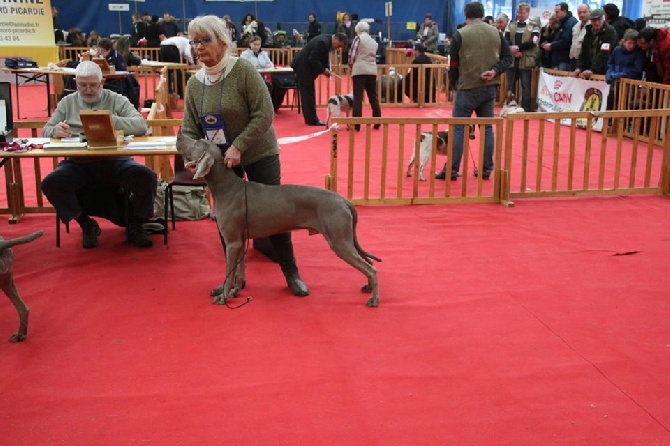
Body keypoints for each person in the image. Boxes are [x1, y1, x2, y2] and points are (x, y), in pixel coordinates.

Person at [181, 15, 309, 297]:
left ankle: (291, 272)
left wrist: (238, 146)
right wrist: (190, 154)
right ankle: (233, 279)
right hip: (221, 161)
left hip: (258, 152)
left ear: (223, 42)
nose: (199, 47)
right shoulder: (195, 84)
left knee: (278, 215)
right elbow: (188, 130)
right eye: (195, 42)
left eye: (206, 40)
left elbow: (264, 114)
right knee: (227, 220)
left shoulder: (244, 71)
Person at [41, 61, 155, 249]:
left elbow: (141, 125)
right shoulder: (67, 102)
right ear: (75, 83)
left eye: (93, 85)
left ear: (102, 82)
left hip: (116, 161)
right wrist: (56, 130)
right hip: (78, 163)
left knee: (146, 177)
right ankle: (85, 223)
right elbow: (46, 129)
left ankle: (136, 224)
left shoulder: (116, 99)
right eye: (82, 85)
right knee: (51, 183)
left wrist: (111, 120)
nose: (87, 90)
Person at [436, 1, 512, 181]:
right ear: (483, 13)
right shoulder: (496, 32)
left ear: (465, 15)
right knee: (487, 128)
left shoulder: (460, 34)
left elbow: (453, 64)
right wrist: (494, 71)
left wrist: (453, 84)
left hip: (467, 87)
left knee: (459, 128)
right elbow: (508, 58)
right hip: (489, 87)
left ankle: (452, 170)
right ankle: (486, 169)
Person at [291, 33, 348, 126]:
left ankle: (311, 119)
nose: (338, 48)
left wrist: (325, 69)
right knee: (308, 95)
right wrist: (323, 70)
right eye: (339, 45)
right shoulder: (323, 42)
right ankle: (312, 120)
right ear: (336, 40)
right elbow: (313, 58)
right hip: (303, 67)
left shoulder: (325, 41)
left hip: (304, 67)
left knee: (308, 94)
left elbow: (320, 59)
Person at [504, 3, 539, 111]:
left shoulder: (534, 26)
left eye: (522, 12)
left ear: (528, 13)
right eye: (518, 12)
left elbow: (533, 42)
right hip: (512, 60)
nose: (519, 14)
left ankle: (526, 109)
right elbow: (505, 40)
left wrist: (518, 48)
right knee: (510, 85)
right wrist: (512, 50)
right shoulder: (511, 25)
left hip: (526, 60)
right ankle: (510, 106)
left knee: (526, 86)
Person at [348, 21, 381, 131]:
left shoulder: (358, 39)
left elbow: (352, 55)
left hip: (359, 70)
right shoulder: (374, 41)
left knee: (358, 98)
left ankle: (356, 124)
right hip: (372, 71)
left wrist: (350, 66)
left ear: (358, 30)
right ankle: (377, 122)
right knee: (373, 98)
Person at [572, 9, 619, 79]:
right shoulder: (589, 31)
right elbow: (583, 51)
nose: (597, 23)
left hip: (605, 72)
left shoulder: (610, 32)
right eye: (594, 20)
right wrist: (579, 67)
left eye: (599, 20)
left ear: (603, 18)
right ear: (590, 21)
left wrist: (593, 70)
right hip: (589, 70)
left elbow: (604, 54)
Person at [605, 29, 645, 109]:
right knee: (611, 105)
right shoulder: (617, 51)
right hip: (615, 85)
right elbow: (610, 64)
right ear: (624, 41)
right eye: (629, 43)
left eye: (634, 43)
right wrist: (610, 74)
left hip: (630, 88)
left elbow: (638, 70)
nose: (632, 46)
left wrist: (622, 74)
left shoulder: (638, 53)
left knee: (625, 107)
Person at [542, 2, 577, 71]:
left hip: (564, 60)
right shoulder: (561, 22)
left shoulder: (570, 23)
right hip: (557, 58)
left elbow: (565, 41)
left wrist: (551, 45)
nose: (555, 14)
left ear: (564, 11)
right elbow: (556, 38)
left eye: (557, 12)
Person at [569, 4, 590, 70]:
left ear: (589, 12)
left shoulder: (592, 26)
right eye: (579, 12)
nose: (582, 14)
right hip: (573, 59)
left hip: (585, 61)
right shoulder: (575, 26)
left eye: (584, 12)